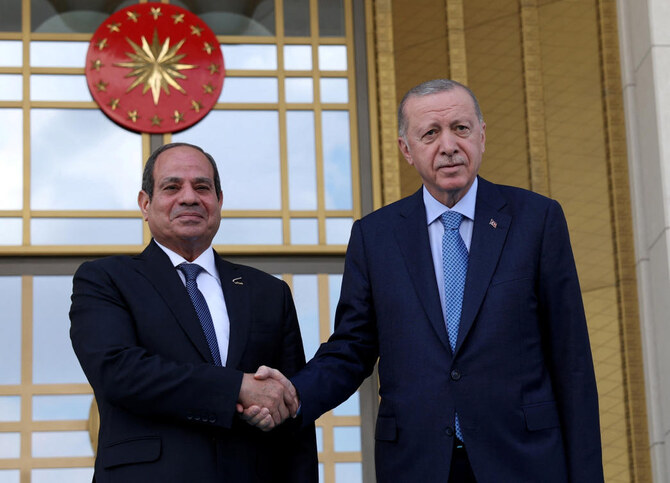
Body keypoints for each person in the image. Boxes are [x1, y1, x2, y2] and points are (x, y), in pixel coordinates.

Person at [246, 79, 604, 481]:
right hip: (417, 464)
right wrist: (293, 396)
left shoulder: (537, 219)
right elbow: (351, 348)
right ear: (406, 150)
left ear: (482, 136)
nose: (448, 145)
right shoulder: (375, 237)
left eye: (461, 128)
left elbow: (571, 361)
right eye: (430, 133)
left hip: (524, 461)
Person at [69, 142, 317, 482]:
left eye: (202, 187)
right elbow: (119, 372)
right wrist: (237, 388)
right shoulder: (105, 279)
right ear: (145, 204)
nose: (189, 198)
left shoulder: (270, 293)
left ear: (219, 201)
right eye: (172, 187)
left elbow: (291, 410)